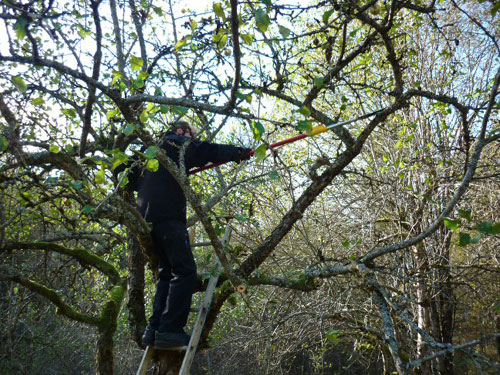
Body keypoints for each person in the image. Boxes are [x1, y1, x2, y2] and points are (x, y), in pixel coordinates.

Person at [124, 121, 251, 349]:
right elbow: (207, 150)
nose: (193, 139)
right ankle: (170, 330)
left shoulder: (147, 152)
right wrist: (239, 153)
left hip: (146, 220)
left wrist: (154, 181)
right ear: (181, 132)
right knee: (185, 272)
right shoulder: (176, 143)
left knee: (167, 273)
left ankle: (154, 330)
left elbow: (124, 175)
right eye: (192, 134)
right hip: (168, 217)